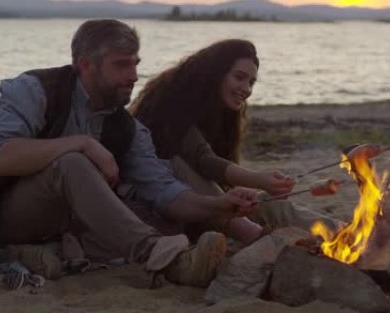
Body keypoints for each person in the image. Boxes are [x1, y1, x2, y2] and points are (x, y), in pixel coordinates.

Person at [0, 19, 260, 287]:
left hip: (69, 219)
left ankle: (58, 249)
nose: (133, 76)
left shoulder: (125, 126)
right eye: (121, 65)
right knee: (72, 163)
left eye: (135, 64)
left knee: (166, 215)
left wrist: (219, 204)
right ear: (86, 64)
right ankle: (161, 256)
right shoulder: (36, 89)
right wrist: (83, 143)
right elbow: (0, 159)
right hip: (4, 213)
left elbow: (166, 193)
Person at [131, 39, 306, 233]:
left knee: (269, 203)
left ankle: (341, 233)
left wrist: (253, 188)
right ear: (215, 72)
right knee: (182, 166)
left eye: (251, 82)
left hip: (209, 202)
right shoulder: (173, 99)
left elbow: (217, 171)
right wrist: (258, 179)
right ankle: (253, 233)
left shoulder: (223, 113)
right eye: (239, 77)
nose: (246, 89)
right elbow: (203, 160)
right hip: (165, 204)